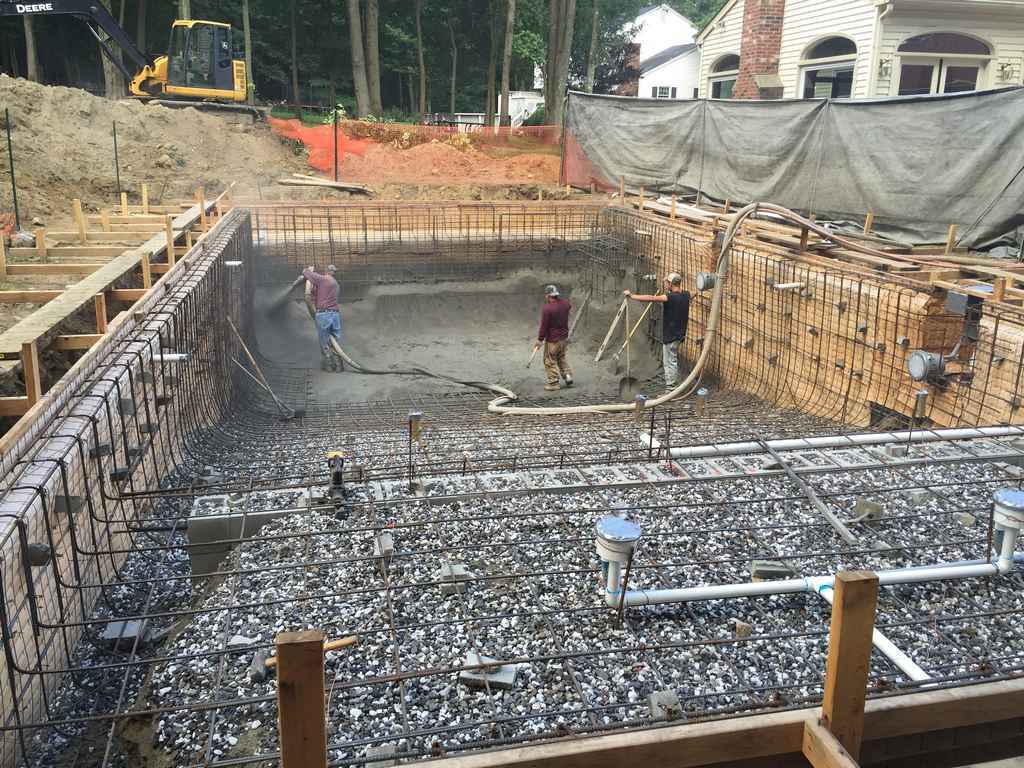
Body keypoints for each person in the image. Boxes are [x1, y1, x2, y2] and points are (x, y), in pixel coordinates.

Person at [623, 272, 690, 391]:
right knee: (672, 360)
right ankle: (673, 386)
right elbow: (694, 294)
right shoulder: (686, 295)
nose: (666, 285)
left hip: (671, 335)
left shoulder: (669, 297)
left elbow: (651, 298)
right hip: (679, 334)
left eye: (667, 283)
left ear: (671, 283)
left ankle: (671, 389)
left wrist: (632, 296)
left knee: (669, 362)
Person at [301, 264, 343, 372]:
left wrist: (309, 269)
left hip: (324, 315)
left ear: (326, 271)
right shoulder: (336, 284)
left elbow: (306, 272)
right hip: (335, 315)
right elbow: (319, 292)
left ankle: (328, 365)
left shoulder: (323, 279)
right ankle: (339, 365)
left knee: (324, 341)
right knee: (335, 341)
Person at [534, 284, 574, 392]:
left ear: (548, 296)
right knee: (561, 357)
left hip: (553, 340)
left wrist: (540, 339)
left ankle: (553, 382)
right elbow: (568, 306)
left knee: (549, 360)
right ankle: (568, 375)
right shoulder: (565, 304)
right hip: (564, 338)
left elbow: (544, 326)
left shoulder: (547, 309)